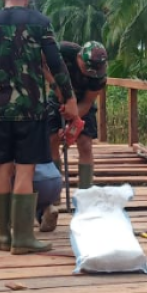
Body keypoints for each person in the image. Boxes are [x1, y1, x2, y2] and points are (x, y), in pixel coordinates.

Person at [0, 0, 77, 255]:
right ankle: (23, 238)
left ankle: (2, 235)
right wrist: (69, 97)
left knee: (2, 171)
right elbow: (55, 62)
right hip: (32, 110)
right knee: (25, 172)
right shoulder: (40, 23)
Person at [0, 120, 64, 233]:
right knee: (26, 170)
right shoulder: (34, 118)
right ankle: (43, 210)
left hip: (32, 184)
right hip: (54, 182)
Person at [49, 41, 108, 190]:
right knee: (52, 140)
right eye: (88, 69)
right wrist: (55, 86)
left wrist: (71, 124)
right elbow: (42, 64)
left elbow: (87, 103)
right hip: (57, 98)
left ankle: (85, 192)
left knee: (85, 144)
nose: (91, 74)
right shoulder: (63, 51)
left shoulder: (99, 78)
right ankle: (54, 190)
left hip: (81, 104)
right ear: (80, 57)